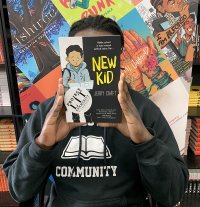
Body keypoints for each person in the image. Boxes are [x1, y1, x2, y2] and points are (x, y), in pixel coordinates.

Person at [3, 15, 188, 207]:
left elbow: (172, 193)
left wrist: (144, 140)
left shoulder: (142, 109)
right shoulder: (49, 113)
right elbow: (19, 191)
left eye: (101, 54)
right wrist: (42, 145)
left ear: (118, 56)